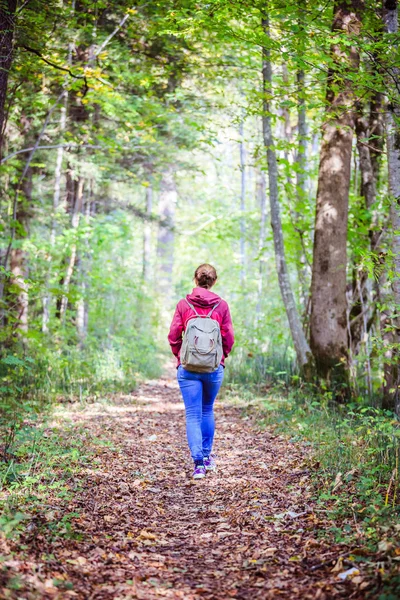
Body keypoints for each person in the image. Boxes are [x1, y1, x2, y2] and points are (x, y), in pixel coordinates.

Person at [168, 264, 234, 479]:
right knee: (207, 410)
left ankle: (198, 465)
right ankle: (206, 457)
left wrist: (180, 357)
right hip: (214, 368)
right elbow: (228, 338)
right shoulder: (221, 306)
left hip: (188, 369)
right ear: (214, 281)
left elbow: (173, 335)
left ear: (195, 280)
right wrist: (221, 357)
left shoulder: (184, 304)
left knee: (193, 414)